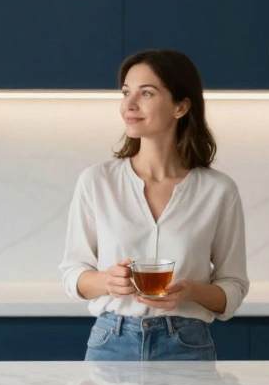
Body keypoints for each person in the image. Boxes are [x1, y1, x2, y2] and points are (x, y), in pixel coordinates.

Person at [59, 49, 249, 361]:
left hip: (186, 344)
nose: (128, 106)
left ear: (181, 106)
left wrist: (189, 292)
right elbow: (72, 273)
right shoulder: (97, 181)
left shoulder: (218, 190)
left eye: (146, 93)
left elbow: (233, 288)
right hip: (111, 342)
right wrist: (107, 280)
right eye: (125, 93)